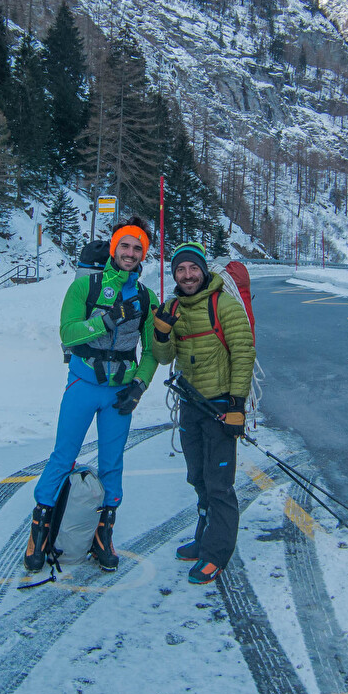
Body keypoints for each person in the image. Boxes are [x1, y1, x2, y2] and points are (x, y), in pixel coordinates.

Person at [24, 218, 158, 573]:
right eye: (125, 246)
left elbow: (154, 350)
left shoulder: (146, 296)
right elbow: (68, 334)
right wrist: (107, 320)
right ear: (114, 248)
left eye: (137, 248)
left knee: (112, 464)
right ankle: (38, 533)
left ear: (144, 254)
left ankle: (103, 536)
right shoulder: (86, 287)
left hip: (120, 393)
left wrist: (140, 385)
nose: (130, 253)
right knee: (63, 456)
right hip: (82, 385)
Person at [151, 242, 256, 585]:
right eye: (180, 270)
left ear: (203, 270)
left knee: (219, 485)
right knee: (198, 477)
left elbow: (243, 353)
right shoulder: (172, 307)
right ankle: (204, 538)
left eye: (192, 268)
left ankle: (216, 554)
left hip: (222, 406)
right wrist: (161, 332)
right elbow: (165, 358)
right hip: (191, 405)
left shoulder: (223, 305)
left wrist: (238, 405)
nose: (187, 275)